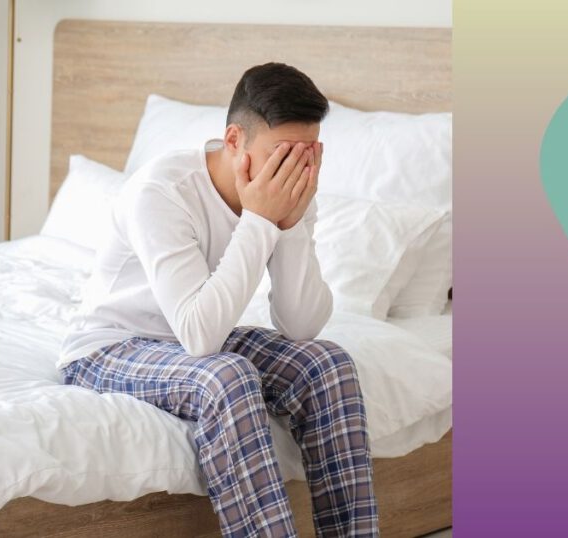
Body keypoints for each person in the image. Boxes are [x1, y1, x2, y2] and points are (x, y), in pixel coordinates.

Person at [58, 62, 378, 537]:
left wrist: (287, 225)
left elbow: (301, 325)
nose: (296, 168)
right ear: (234, 141)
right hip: (110, 347)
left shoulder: (290, 191)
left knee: (327, 364)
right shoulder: (162, 192)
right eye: (282, 154)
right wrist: (260, 220)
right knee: (227, 377)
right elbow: (201, 336)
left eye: (308, 153)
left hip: (187, 340)